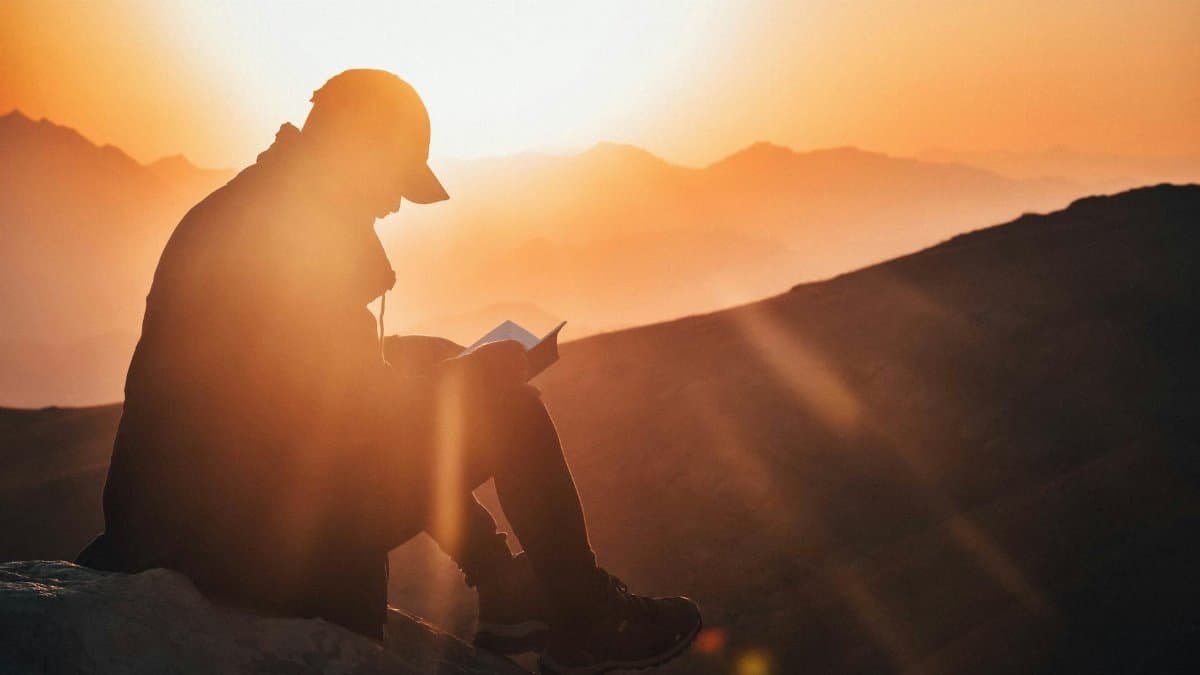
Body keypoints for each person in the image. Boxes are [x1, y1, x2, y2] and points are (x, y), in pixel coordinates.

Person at [77, 69, 700, 674]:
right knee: (508, 409)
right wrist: (467, 383)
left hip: (193, 514)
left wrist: (440, 374)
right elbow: (346, 419)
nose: (397, 203)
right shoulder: (290, 238)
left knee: (427, 359)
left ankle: (507, 590)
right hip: (235, 544)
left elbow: (311, 392)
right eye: (395, 180)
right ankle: (583, 619)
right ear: (357, 153)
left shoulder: (260, 207)